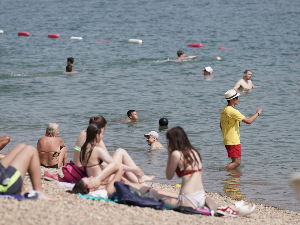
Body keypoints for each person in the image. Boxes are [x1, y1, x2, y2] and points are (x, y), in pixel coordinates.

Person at [165, 126, 255, 217]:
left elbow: (169, 176)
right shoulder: (194, 152)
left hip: (188, 198)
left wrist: (169, 154)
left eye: (169, 140)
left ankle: (230, 209)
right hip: (201, 196)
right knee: (168, 194)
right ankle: (231, 207)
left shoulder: (176, 154)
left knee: (156, 196)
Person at [74, 118, 154, 183]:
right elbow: (112, 163)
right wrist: (134, 169)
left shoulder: (83, 133)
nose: (103, 135)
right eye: (103, 132)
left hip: (79, 169)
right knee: (120, 152)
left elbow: (79, 151)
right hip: (91, 175)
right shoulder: (97, 142)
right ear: (99, 131)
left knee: (123, 167)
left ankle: (140, 180)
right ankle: (141, 177)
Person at [220, 89, 263, 171]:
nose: (238, 99)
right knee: (237, 162)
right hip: (233, 140)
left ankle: (233, 177)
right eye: (237, 97)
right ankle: (222, 173)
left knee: (234, 161)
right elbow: (249, 121)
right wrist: (258, 112)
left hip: (227, 139)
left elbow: (221, 126)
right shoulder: (233, 111)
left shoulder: (224, 110)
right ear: (232, 100)